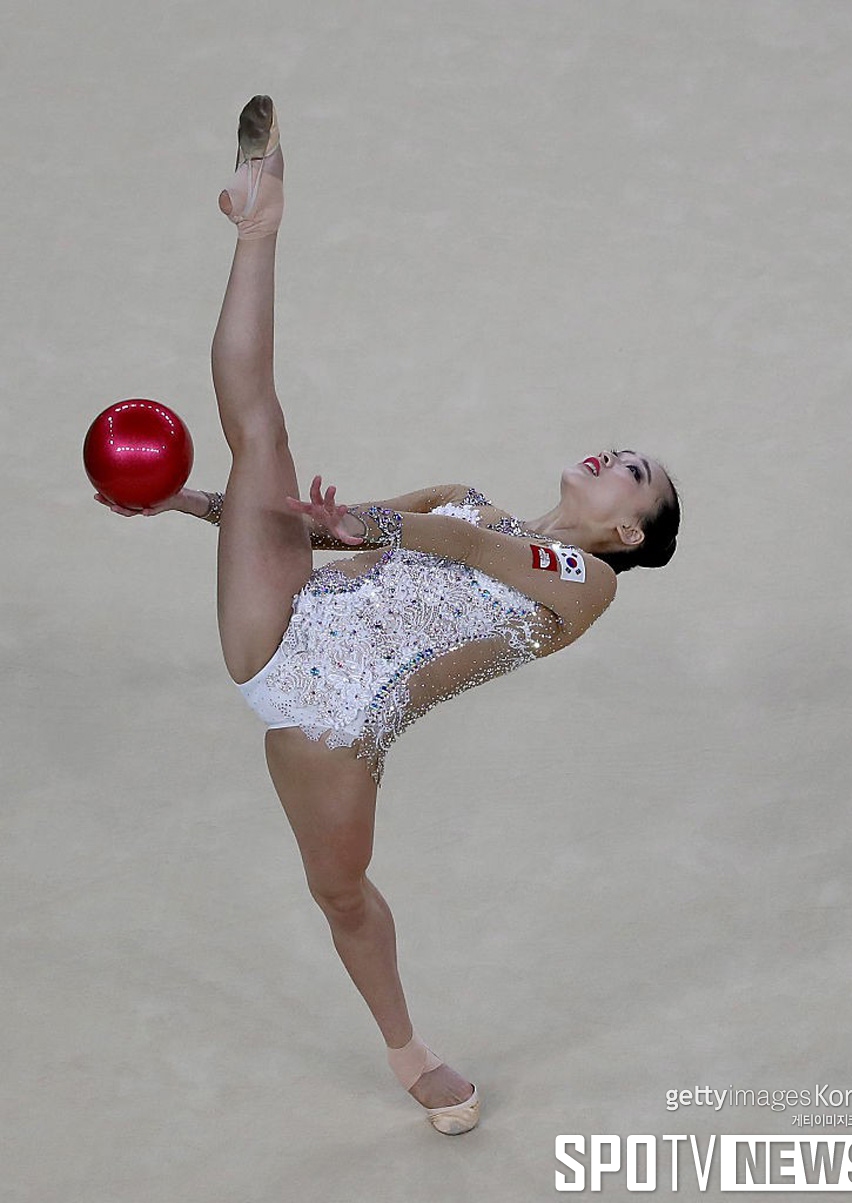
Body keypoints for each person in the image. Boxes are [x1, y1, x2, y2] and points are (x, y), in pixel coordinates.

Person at [96, 96, 681, 1134]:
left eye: (631, 475)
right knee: (260, 428)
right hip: (285, 612)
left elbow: (460, 550)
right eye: (618, 448)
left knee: (343, 897)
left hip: (333, 719)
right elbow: (312, 526)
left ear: (627, 534)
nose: (610, 456)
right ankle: (259, 221)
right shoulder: (461, 491)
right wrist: (184, 504)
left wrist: (364, 522)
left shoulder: (582, 587)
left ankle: (411, 1054)